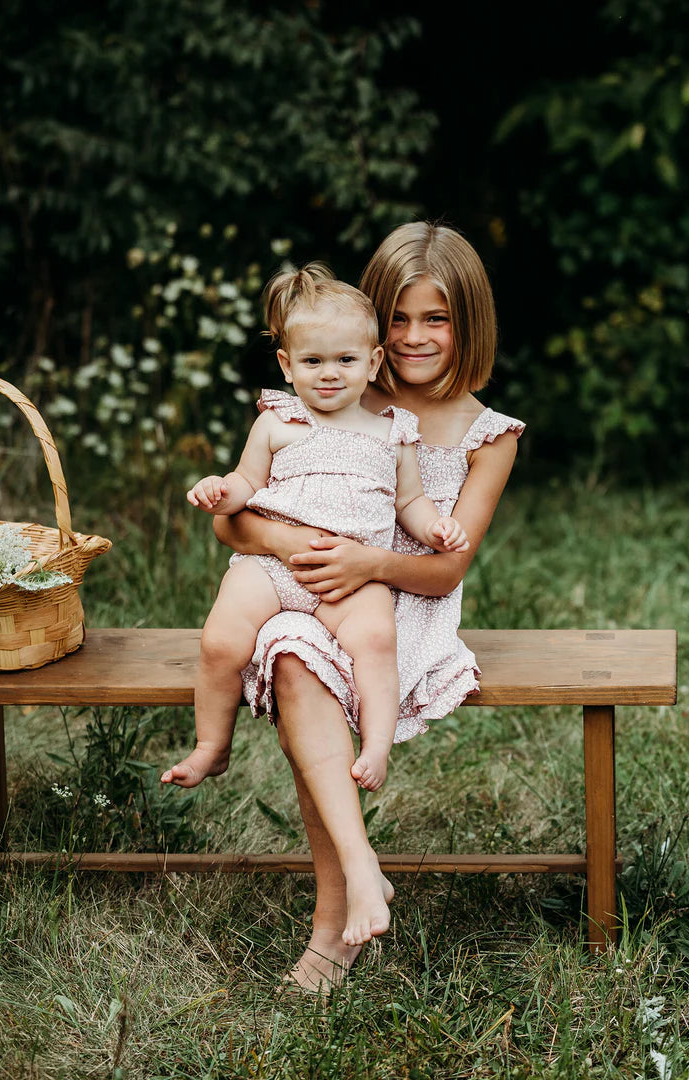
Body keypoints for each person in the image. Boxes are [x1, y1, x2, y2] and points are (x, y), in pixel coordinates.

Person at [215, 221, 525, 991]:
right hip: (304, 584)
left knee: (309, 659)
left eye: (437, 318)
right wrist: (294, 547)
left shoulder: (489, 436)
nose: (415, 337)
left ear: (468, 323)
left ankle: (336, 922)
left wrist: (368, 564)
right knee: (292, 652)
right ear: (373, 327)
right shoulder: (332, 393)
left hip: (404, 603)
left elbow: (445, 572)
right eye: (400, 318)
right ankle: (353, 887)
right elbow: (234, 523)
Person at [161, 264, 469, 795]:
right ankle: (211, 745)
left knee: (377, 641)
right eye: (313, 361)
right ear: (287, 365)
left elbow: (410, 501)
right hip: (270, 567)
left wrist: (436, 528)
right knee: (220, 639)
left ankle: (376, 745)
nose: (329, 374)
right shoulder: (277, 422)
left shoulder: (393, 434)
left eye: (345, 360)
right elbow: (246, 482)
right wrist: (219, 489)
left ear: (373, 362)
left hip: (352, 579)